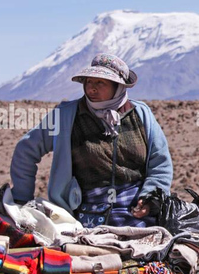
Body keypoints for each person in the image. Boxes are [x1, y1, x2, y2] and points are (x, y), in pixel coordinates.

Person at [9, 53, 173, 227]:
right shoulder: (66, 115)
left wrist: (150, 198)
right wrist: (22, 199)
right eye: (89, 82)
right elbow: (25, 150)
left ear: (118, 87)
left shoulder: (141, 115)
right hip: (83, 212)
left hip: (137, 209)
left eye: (100, 83)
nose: (91, 89)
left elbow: (160, 164)